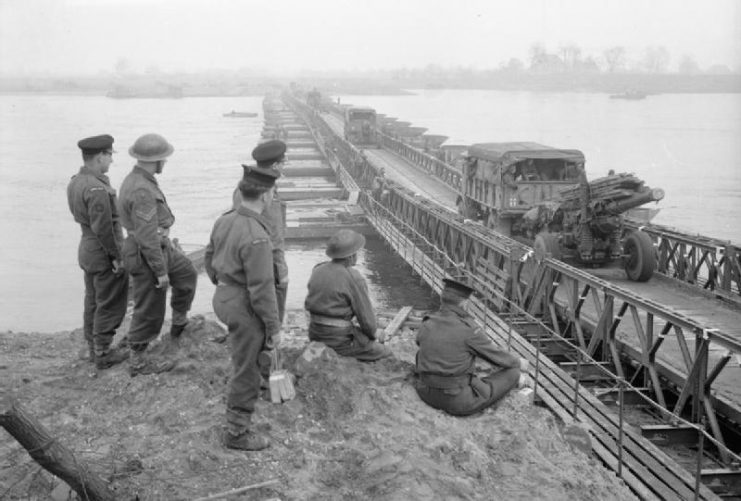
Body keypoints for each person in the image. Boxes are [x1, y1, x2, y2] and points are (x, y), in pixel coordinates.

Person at [205, 164, 283, 451]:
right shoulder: (257, 234)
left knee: (243, 358)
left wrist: (225, 284)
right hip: (243, 303)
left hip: (224, 295)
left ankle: (241, 415)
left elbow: (210, 256)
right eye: (273, 191)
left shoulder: (225, 220)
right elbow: (262, 289)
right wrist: (274, 329)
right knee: (247, 368)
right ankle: (237, 432)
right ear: (264, 195)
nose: (273, 196)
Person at [118, 133, 197, 376]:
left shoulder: (142, 179)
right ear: (157, 160)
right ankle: (138, 360)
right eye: (164, 159)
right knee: (150, 307)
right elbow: (146, 235)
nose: (165, 163)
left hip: (159, 247)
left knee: (186, 273)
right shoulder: (142, 189)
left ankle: (179, 323)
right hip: (148, 252)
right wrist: (160, 271)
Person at [414, 278, 526, 416]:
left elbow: (419, 343)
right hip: (456, 401)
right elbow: (495, 356)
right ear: (464, 303)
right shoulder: (469, 330)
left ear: (443, 300)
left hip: (425, 393)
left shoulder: (427, 322)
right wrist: (519, 362)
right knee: (513, 372)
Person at [67, 134, 129, 369]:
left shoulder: (76, 181)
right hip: (102, 251)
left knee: (92, 299)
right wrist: (116, 257)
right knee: (110, 301)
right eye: (109, 155)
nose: (111, 161)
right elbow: (104, 229)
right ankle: (103, 352)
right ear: (100, 156)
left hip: (87, 248)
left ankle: (93, 347)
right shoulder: (96, 188)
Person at [304, 229, 393, 361]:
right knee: (386, 353)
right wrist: (374, 334)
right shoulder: (353, 277)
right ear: (351, 256)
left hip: (315, 334)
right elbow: (366, 321)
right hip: (338, 341)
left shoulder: (318, 269)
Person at [230, 139, 289, 322]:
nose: (283, 168)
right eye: (282, 163)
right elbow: (273, 233)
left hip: (250, 259)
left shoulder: (247, 186)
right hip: (266, 260)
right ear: (275, 165)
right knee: (271, 312)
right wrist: (281, 270)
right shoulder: (264, 192)